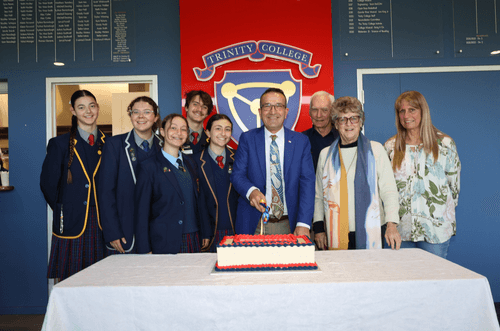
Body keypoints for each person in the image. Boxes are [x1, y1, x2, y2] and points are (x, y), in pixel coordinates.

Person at [314, 96, 401, 250]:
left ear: (361, 121)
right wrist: (319, 229)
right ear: (335, 123)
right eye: (342, 119)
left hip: (373, 231)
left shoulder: (376, 150)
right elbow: (319, 196)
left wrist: (392, 225)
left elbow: (389, 191)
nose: (349, 124)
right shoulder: (325, 155)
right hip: (335, 233)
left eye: (354, 118)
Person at [384, 91, 460, 259]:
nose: (406, 115)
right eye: (401, 111)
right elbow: (385, 189)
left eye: (412, 110)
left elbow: (453, 188)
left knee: (434, 282)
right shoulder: (390, 146)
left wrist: (437, 213)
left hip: (435, 230)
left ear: (423, 112)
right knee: (401, 282)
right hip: (400, 230)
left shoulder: (445, 145)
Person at [40, 90, 107, 280]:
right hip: (71, 222)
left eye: (92, 106)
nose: (88, 111)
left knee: (102, 280)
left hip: (102, 224)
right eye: (81, 107)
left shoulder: (109, 143)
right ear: (73, 111)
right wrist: (65, 210)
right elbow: (48, 185)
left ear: (98, 108)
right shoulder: (59, 144)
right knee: (71, 281)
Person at [231, 88, 315, 236]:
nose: (272, 111)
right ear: (260, 111)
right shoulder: (247, 139)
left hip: (290, 224)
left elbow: (307, 183)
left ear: (286, 111)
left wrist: (303, 224)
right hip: (254, 224)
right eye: (267, 106)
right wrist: (252, 191)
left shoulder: (301, 141)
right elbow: (237, 175)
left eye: (278, 106)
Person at [135, 114, 210, 254]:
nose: (178, 133)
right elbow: (141, 212)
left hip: (193, 237)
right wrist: (145, 249)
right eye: (173, 128)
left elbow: (198, 201)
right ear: (162, 132)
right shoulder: (149, 167)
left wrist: (204, 232)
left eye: (183, 129)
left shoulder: (191, 163)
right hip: (165, 241)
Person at [98, 96, 162, 255]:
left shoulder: (165, 146)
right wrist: (112, 232)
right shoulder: (114, 145)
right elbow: (105, 192)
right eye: (136, 112)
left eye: (147, 112)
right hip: (125, 234)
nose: (141, 116)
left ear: (155, 117)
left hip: (158, 233)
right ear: (130, 116)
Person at [196, 114, 239, 251]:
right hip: (208, 234)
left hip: (236, 230)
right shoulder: (195, 161)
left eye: (227, 129)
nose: (223, 133)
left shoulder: (239, 157)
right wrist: (203, 230)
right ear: (208, 132)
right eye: (218, 129)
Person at [302, 91, 339, 172]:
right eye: (314, 110)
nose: (319, 115)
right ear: (309, 112)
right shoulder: (301, 140)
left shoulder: (342, 138)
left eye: (324, 110)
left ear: (332, 112)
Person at [182, 90, 213, 155]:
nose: (199, 109)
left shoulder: (212, 140)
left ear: (207, 113)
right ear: (186, 107)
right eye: (195, 104)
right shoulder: (174, 136)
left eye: (204, 107)